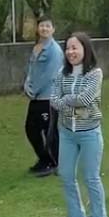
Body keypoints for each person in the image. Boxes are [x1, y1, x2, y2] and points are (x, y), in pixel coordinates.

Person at [51, 33, 107, 217]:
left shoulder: (95, 73)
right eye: (68, 48)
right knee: (66, 175)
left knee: (91, 177)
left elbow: (85, 99)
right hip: (67, 133)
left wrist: (66, 99)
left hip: (89, 132)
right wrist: (67, 100)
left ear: (85, 49)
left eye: (75, 47)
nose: (70, 52)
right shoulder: (62, 73)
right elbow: (53, 100)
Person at [24, 16, 64, 177]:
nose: (44, 29)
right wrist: (27, 85)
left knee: (50, 132)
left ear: (53, 29)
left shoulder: (55, 50)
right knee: (31, 129)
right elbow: (31, 70)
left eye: (48, 26)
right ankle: (43, 159)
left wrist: (34, 90)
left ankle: (54, 163)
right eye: (42, 26)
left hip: (48, 97)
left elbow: (50, 75)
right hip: (36, 97)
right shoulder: (37, 47)